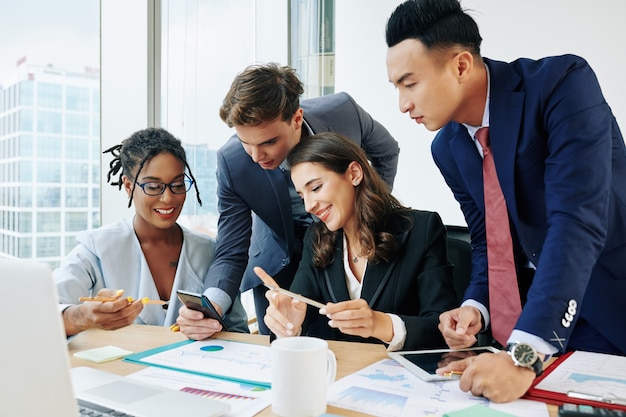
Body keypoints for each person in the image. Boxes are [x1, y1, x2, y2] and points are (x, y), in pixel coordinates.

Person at [385, 0, 626, 403]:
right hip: (529, 316)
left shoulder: (562, 83)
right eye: (396, 87)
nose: (402, 104)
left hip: (605, 302)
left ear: (461, 65)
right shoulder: (447, 147)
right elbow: (489, 241)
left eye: (410, 83)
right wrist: (475, 307)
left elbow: (576, 221)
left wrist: (523, 356)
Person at [178, 62, 400, 336]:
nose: (256, 157)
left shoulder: (343, 112)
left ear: (296, 118)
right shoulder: (232, 161)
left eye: (269, 142)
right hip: (277, 271)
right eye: (246, 142)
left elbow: (386, 152)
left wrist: (366, 210)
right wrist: (211, 305)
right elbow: (231, 248)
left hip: (346, 253)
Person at [258, 132, 457, 350]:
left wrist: (381, 324)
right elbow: (300, 307)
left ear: (354, 173)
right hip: (343, 375)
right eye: (302, 196)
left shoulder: (421, 230)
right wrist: (289, 326)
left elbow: (444, 328)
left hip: (404, 376)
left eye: (315, 188)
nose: (309, 206)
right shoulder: (316, 238)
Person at [55, 127, 248, 337]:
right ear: (128, 186)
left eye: (177, 184)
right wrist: (84, 317)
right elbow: (45, 315)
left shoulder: (209, 251)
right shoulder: (96, 248)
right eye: (153, 186)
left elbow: (239, 331)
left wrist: (211, 327)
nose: (168, 198)